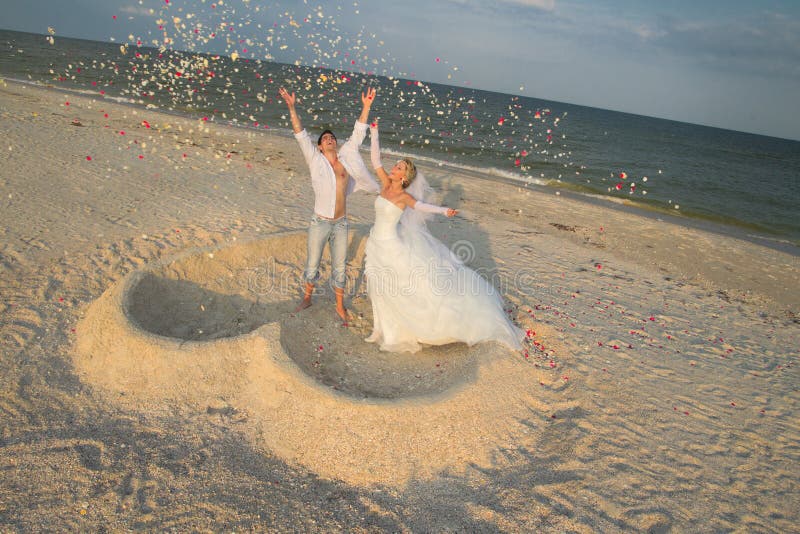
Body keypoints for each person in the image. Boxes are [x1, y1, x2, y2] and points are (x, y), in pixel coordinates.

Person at [363, 122, 525, 353]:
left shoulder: (404, 197)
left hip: (391, 246)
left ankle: (399, 332)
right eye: (396, 165)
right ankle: (381, 329)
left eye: (398, 168)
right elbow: (375, 160)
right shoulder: (385, 184)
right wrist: (375, 131)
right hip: (375, 242)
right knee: (378, 285)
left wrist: (444, 211)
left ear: (405, 177)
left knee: (396, 288)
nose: (393, 169)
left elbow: (422, 206)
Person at [278, 86, 379, 322]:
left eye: (331, 137)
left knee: (340, 267)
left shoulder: (346, 159)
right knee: (313, 263)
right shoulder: (314, 160)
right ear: (320, 147)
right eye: (324, 138)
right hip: (320, 222)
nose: (329, 138)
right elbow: (300, 133)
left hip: (342, 223)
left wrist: (366, 106)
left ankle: (340, 306)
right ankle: (307, 298)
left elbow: (358, 132)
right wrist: (292, 108)